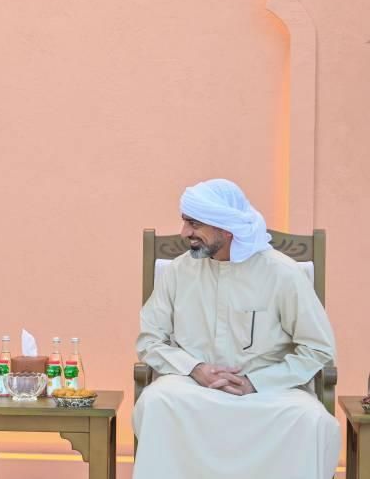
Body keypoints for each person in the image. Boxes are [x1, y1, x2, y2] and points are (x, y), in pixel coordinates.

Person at [133, 179, 338, 479]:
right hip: (193, 388)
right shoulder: (179, 271)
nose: (185, 233)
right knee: (156, 402)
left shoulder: (282, 273)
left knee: (311, 419)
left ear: (226, 229)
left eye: (194, 224)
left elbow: (318, 348)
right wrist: (195, 368)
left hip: (269, 393)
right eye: (185, 222)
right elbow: (150, 340)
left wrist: (256, 382)